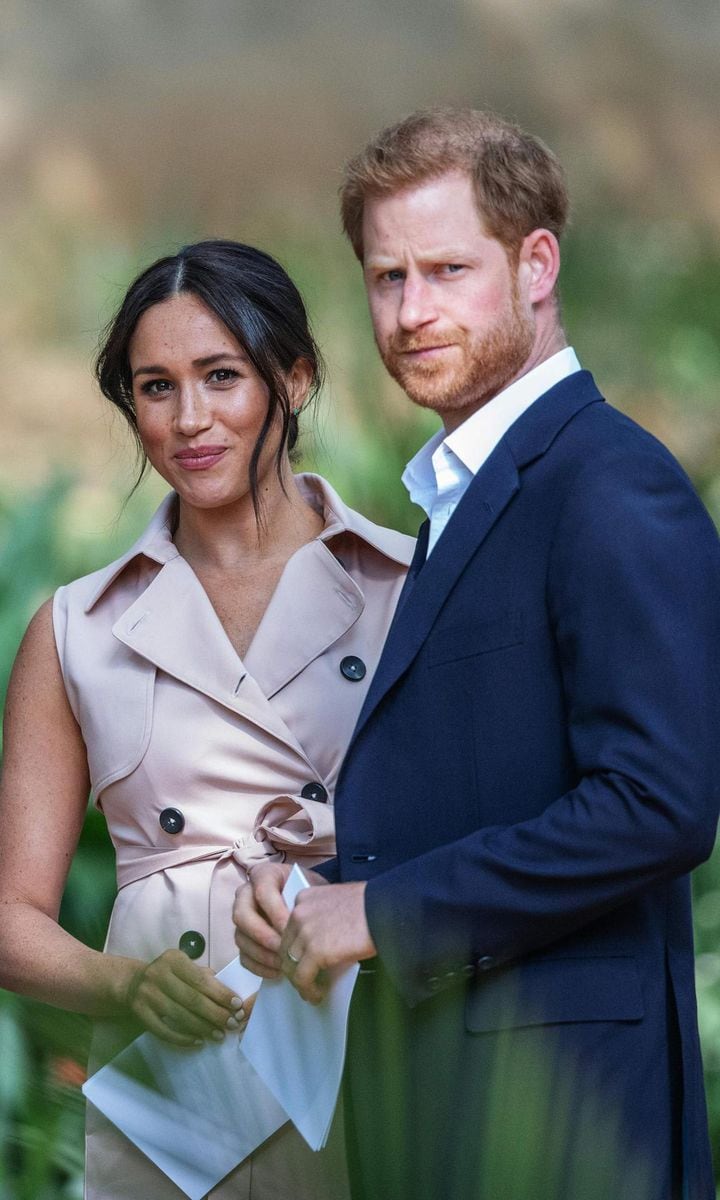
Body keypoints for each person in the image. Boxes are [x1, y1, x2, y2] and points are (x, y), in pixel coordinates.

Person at [233, 109, 720, 1200]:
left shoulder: (609, 486)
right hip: (447, 1107)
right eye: (386, 277)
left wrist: (382, 914)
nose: (410, 314)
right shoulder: (469, 496)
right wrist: (322, 892)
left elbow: (662, 803)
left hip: (566, 1123)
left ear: (535, 264)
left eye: (447, 270)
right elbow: (480, 787)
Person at [0, 239, 414, 1200]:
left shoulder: (408, 585)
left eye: (221, 376)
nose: (190, 419)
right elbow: (11, 918)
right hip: (173, 1085)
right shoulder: (76, 628)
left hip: (370, 1034)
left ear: (294, 378)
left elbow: (486, 835)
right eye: (155, 387)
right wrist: (126, 987)